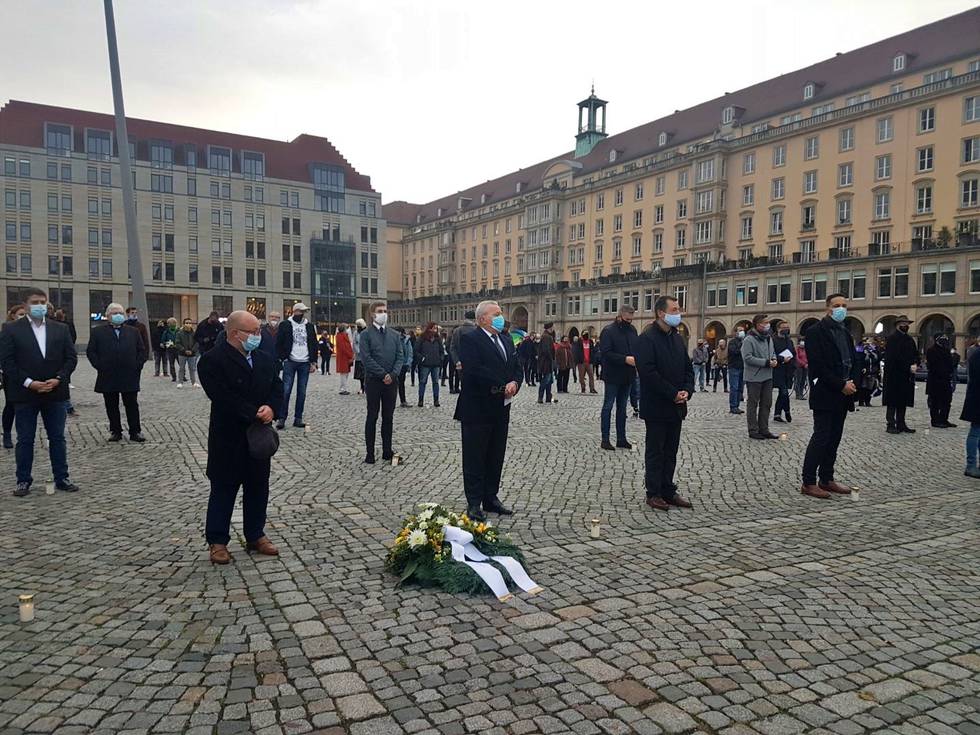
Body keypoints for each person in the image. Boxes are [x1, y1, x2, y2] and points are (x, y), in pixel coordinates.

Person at [198, 310, 282, 564]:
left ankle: (255, 534)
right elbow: (222, 397)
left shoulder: (264, 358)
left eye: (259, 331)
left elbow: (277, 387)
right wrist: (253, 412)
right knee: (224, 487)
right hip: (229, 435)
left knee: (258, 486)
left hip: (258, 438)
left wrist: (272, 407)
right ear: (235, 334)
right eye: (254, 332)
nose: (259, 335)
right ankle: (218, 541)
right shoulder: (212, 361)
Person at [0, 288, 79, 497]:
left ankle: (62, 477)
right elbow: (7, 362)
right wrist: (29, 382)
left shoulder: (60, 329)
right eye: (35, 302)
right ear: (25, 305)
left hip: (55, 392)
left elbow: (71, 358)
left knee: (57, 438)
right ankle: (23, 480)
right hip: (25, 393)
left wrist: (59, 378)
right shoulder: (10, 329)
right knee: (25, 439)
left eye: (43, 302)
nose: (40, 305)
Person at [457, 300, 523, 522]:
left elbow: (516, 366)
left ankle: (490, 497)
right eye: (496, 313)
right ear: (483, 318)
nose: (501, 317)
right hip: (477, 407)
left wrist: (515, 383)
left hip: (501, 408)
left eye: (501, 313)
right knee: (475, 456)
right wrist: (502, 385)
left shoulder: (506, 339)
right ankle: (474, 502)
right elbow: (475, 370)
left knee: (496, 454)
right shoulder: (470, 339)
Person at [635, 295, 695, 512]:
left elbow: (689, 368)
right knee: (656, 450)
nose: (679, 312)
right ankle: (654, 492)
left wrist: (687, 390)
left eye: (679, 308)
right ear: (661, 313)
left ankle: (668, 489)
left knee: (671, 450)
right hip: (657, 405)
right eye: (675, 308)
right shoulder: (647, 338)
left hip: (677, 405)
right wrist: (672, 393)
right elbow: (648, 373)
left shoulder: (677, 338)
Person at [800, 294, 861, 499]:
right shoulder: (815, 332)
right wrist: (841, 384)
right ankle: (808, 482)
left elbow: (852, 360)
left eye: (844, 305)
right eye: (837, 306)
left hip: (844, 394)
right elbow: (818, 366)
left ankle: (826, 478)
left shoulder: (845, 332)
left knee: (835, 438)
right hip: (826, 392)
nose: (841, 309)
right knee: (821, 437)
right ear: (828, 308)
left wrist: (852, 383)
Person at [87, 303, 148, 442]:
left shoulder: (133, 331)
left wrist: (138, 365)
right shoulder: (98, 332)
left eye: (120, 313)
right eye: (114, 313)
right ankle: (116, 431)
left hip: (129, 374)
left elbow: (142, 350)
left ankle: (135, 431)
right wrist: (99, 366)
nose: (118, 315)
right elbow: (91, 351)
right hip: (108, 375)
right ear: (108, 316)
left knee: (132, 404)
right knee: (111, 405)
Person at [360, 302, 404, 463]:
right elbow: (366, 358)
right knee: (372, 416)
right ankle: (370, 452)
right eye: (380, 311)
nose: (383, 313)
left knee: (388, 416)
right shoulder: (366, 334)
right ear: (372, 314)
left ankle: (387, 449)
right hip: (374, 381)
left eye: (385, 311)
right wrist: (382, 374)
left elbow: (400, 356)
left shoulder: (394, 335)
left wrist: (392, 374)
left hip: (391, 382)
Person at [599, 306, 639, 450]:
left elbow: (636, 348)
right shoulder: (609, 331)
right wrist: (624, 359)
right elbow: (606, 353)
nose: (630, 321)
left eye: (631, 318)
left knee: (622, 408)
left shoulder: (633, 330)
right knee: (608, 406)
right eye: (627, 318)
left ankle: (621, 438)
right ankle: (605, 439)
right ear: (620, 315)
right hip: (612, 375)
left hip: (628, 375)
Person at [275, 303, 318, 430]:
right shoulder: (285, 325)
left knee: (302, 391)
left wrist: (313, 362)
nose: (302, 314)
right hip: (290, 360)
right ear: (294, 312)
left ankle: (298, 418)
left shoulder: (309, 326)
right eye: (300, 311)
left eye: (303, 312)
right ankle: (281, 418)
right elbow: (279, 342)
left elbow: (313, 343)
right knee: (286, 390)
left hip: (305, 362)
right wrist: (281, 357)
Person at [741, 314, 778, 439]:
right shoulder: (749, 340)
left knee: (767, 403)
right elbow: (747, 358)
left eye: (768, 322)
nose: (767, 324)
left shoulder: (769, 338)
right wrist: (765, 362)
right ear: (757, 324)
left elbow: (772, 352)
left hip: (768, 375)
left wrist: (774, 359)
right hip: (754, 376)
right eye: (765, 322)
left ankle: (764, 429)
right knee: (753, 404)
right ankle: (753, 430)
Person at [883, 315, 920, 434]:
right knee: (893, 401)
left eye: (907, 324)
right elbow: (893, 358)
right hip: (894, 375)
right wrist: (907, 366)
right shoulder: (892, 339)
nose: (906, 326)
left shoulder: (909, 339)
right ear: (898, 325)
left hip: (906, 376)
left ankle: (901, 423)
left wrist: (916, 363)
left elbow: (915, 354)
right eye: (904, 324)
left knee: (903, 400)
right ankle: (891, 424)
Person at [1, 304, 27, 449]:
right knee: (11, 404)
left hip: (28, 373)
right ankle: (7, 433)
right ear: (13, 315)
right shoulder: (7, 329)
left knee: (26, 405)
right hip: (11, 374)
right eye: (21, 314)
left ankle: (24, 434)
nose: (23, 316)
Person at [925, 334, 956, 428]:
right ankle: (935, 420)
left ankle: (944, 419)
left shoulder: (947, 350)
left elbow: (951, 363)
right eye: (942, 339)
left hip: (946, 380)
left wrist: (949, 372)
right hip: (935, 380)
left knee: (947, 401)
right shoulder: (931, 350)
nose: (944, 340)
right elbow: (932, 365)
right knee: (935, 401)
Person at [960, 344, 980, 478]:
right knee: (975, 432)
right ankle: (971, 465)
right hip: (978, 399)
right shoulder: (977, 356)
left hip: (976, 398)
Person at [771, 320, 796, 423]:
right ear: (778, 329)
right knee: (784, 392)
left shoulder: (789, 340)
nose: (786, 329)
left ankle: (777, 414)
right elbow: (771, 354)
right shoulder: (773, 340)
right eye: (783, 327)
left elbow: (793, 352)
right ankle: (787, 411)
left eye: (787, 327)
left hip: (788, 370)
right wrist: (781, 359)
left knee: (783, 393)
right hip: (778, 369)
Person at [416, 322, 444, 408]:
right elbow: (416, 350)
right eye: (434, 328)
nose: (435, 330)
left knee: (435, 382)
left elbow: (441, 350)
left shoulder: (437, 338)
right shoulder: (422, 337)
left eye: (436, 328)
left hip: (436, 364)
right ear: (429, 328)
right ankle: (420, 400)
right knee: (422, 382)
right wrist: (422, 358)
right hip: (425, 364)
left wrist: (440, 358)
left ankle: (436, 400)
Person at [449, 310, 477, 395]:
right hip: (474, 363)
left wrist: (457, 361)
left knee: (464, 385)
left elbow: (452, 348)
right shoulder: (477, 330)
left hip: (460, 363)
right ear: (474, 319)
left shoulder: (457, 330)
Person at [175, 317, 200, 387]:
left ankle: (194, 382)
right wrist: (184, 350)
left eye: (190, 323)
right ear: (183, 324)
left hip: (192, 354)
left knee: (192, 368)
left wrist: (192, 351)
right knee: (181, 368)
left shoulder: (195, 333)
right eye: (187, 323)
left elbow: (197, 343)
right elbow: (177, 343)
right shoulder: (179, 333)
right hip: (182, 354)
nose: (188, 324)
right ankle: (180, 382)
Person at [537, 322, 557, 404]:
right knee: (546, 380)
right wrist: (551, 358)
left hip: (548, 362)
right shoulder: (546, 337)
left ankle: (548, 396)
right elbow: (546, 350)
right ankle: (540, 397)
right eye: (552, 327)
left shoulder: (548, 336)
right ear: (550, 328)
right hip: (546, 362)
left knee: (550, 380)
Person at [855, 340, 880, 408]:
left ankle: (867, 401)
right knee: (863, 387)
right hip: (864, 373)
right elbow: (859, 360)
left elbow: (877, 359)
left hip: (872, 373)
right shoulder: (860, 352)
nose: (867, 346)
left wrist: (872, 351)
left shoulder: (874, 353)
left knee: (870, 388)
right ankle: (861, 401)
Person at [728, 329, 746, 415]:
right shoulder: (732, 342)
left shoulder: (745, 341)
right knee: (734, 387)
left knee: (740, 388)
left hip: (742, 367)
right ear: (735, 333)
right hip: (734, 367)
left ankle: (737, 405)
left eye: (742, 330)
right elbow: (734, 352)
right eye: (739, 330)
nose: (741, 332)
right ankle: (733, 406)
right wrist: (742, 345)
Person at [396, 327, 414, 408]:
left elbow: (410, 353)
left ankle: (403, 401)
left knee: (401, 383)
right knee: (393, 384)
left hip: (403, 365)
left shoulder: (406, 341)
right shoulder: (393, 340)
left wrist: (408, 363)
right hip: (394, 365)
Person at [335, 324, 354, 395]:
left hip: (345, 357)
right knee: (344, 373)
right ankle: (343, 389)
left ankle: (343, 388)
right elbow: (344, 348)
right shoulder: (341, 337)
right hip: (344, 357)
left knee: (345, 373)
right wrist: (350, 355)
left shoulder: (342, 336)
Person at [161, 317, 179, 382]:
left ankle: (183, 376)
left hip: (178, 349)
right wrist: (167, 343)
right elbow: (163, 341)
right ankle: (174, 377)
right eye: (168, 323)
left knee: (181, 364)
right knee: (171, 364)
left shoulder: (179, 331)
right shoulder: (166, 332)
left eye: (169, 323)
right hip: (170, 350)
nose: (168, 324)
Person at [353, 318, 367, 394]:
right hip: (359, 356)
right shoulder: (356, 333)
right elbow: (354, 343)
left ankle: (366, 386)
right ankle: (362, 387)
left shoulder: (366, 332)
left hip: (366, 356)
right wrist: (357, 351)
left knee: (366, 373)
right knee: (360, 374)